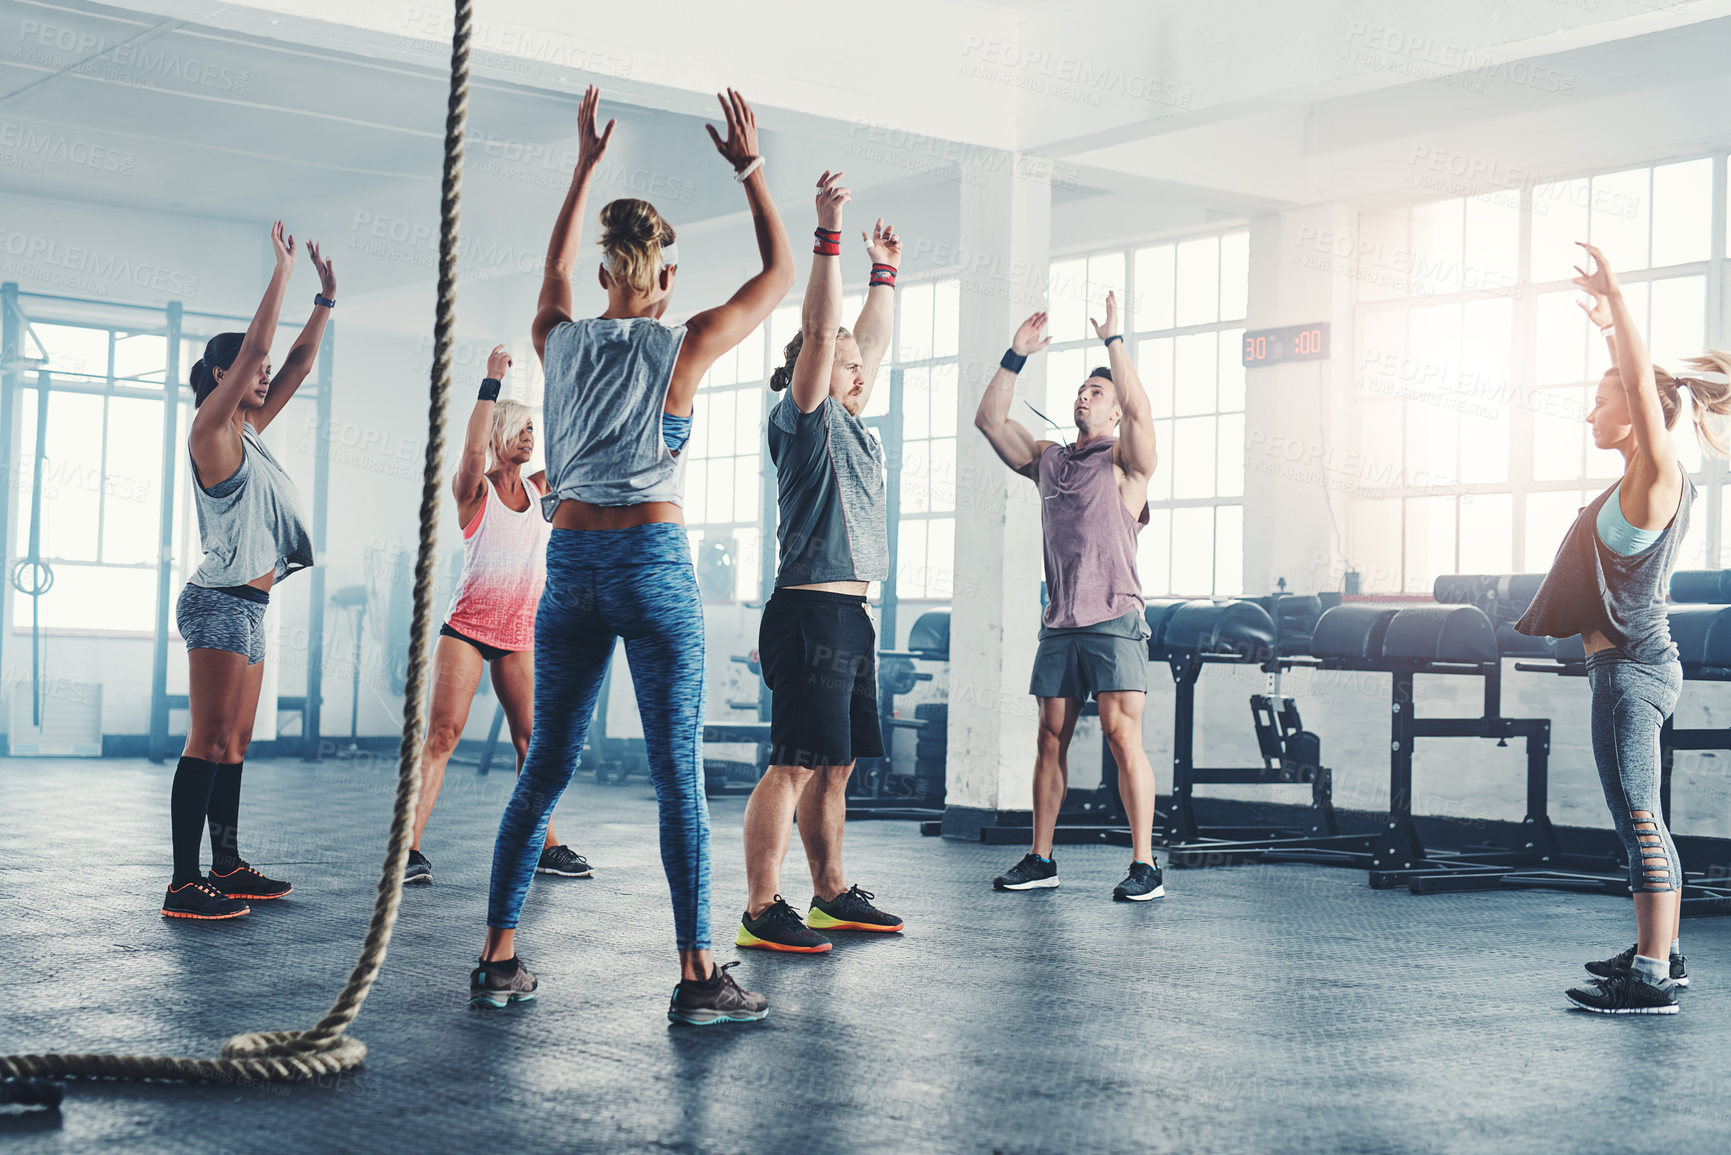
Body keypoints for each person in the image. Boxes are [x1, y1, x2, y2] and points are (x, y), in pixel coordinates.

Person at [468, 86, 795, 1025]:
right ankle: (699, 975)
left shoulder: (555, 343)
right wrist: (750, 168)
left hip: (567, 572)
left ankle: (499, 957)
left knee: (544, 771)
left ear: (607, 271)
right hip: (651, 566)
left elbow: (550, 269)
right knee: (674, 777)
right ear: (660, 278)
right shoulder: (681, 342)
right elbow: (777, 274)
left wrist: (579, 168)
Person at [1517, 241, 1731, 1016]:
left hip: (1630, 671)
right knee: (1636, 813)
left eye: (1601, 400)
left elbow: (1642, 382)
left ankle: (1650, 974)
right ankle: (1659, 951)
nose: (1590, 411)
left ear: (1637, 411)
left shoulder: (1656, 471)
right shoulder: (1636, 478)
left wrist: (1615, 319)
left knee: (1640, 817)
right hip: (1629, 669)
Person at [734, 176, 905, 953]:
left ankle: (830, 893)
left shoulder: (853, 422)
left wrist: (884, 275)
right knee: (796, 763)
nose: (859, 368)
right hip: (806, 611)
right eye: (842, 362)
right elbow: (823, 326)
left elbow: (865, 343)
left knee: (835, 764)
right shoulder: (802, 419)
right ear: (809, 365)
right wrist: (828, 238)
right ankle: (761, 905)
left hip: (850, 615)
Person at [163, 221, 332, 920]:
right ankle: (183, 882)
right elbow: (262, 350)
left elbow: (289, 364)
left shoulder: (251, 434)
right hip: (217, 603)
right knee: (206, 739)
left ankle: (226, 865)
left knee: (235, 741)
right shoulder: (211, 429)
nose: (263, 378)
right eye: (248, 374)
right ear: (221, 380)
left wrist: (325, 301)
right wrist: (284, 273)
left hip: (253, 609)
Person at [972, 297, 1163, 901]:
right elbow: (990, 421)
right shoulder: (1049, 462)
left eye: (1097, 392)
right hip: (1061, 621)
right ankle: (1041, 856)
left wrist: (1114, 342)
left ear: (1113, 407)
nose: (1085, 396)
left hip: (1115, 618)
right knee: (1049, 737)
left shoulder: (1128, 463)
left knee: (1119, 734)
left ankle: (1144, 865)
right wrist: (1014, 356)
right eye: (1081, 389)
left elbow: (1140, 407)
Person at [404, 345, 589, 886]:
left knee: (534, 742)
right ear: (498, 435)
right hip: (466, 629)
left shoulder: (538, 492)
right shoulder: (474, 489)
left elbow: (579, 452)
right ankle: (407, 849)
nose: (530, 438)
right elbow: (469, 448)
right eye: (521, 429)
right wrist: (491, 381)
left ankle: (544, 844)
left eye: (534, 430)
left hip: (518, 634)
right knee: (443, 735)